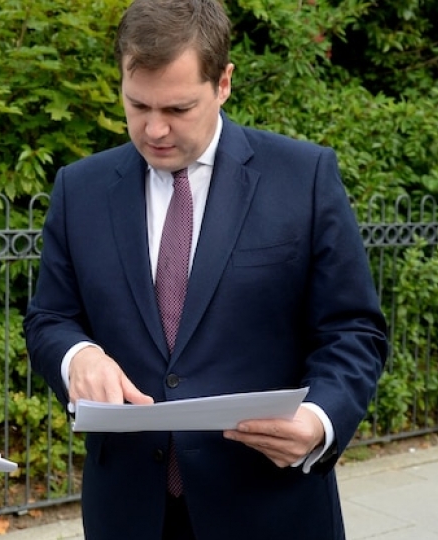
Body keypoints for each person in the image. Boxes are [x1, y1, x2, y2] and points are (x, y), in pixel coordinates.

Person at [23, 1, 388, 539]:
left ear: (223, 83)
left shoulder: (302, 177)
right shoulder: (80, 190)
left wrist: (319, 420)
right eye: (137, 104)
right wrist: (79, 355)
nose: (153, 129)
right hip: (128, 513)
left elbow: (354, 330)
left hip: (270, 507)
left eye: (177, 108)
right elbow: (50, 318)